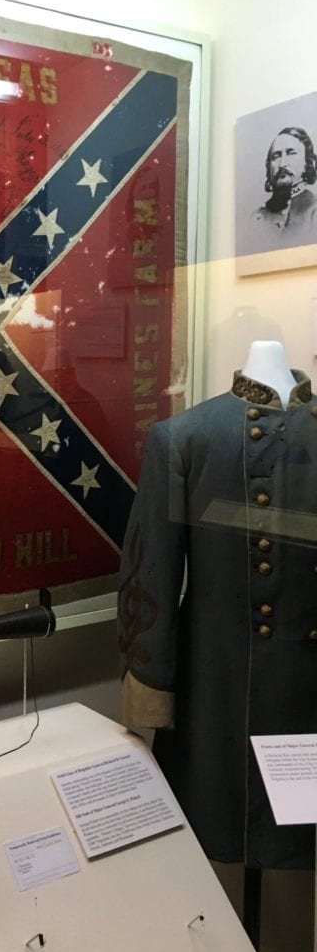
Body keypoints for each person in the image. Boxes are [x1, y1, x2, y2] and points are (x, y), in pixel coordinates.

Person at [117, 341, 317, 871]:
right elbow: (151, 574)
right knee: (229, 819)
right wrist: (151, 687)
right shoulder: (184, 436)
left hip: (309, 686)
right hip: (223, 683)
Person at [249, 126, 317, 248]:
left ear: (307, 163)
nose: (282, 164)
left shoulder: (314, 211)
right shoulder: (257, 219)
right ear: (268, 166)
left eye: (291, 153)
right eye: (276, 157)